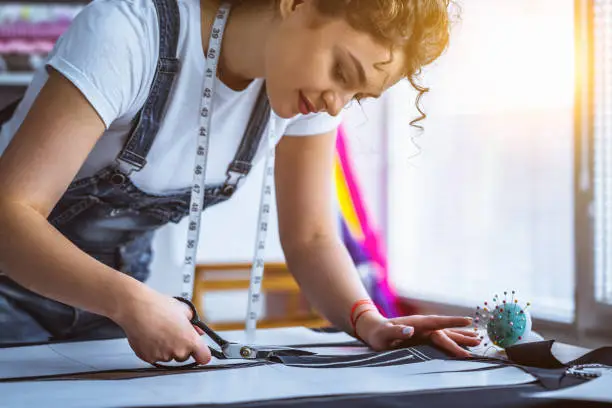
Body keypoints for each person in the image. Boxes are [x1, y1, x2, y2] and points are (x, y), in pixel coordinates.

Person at [0, 0, 480, 366]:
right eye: (342, 72)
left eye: (357, 96)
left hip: (107, 302)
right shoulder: (130, 32)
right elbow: (9, 214)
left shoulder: (303, 96)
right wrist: (129, 301)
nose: (337, 105)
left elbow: (311, 237)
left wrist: (369, 322)